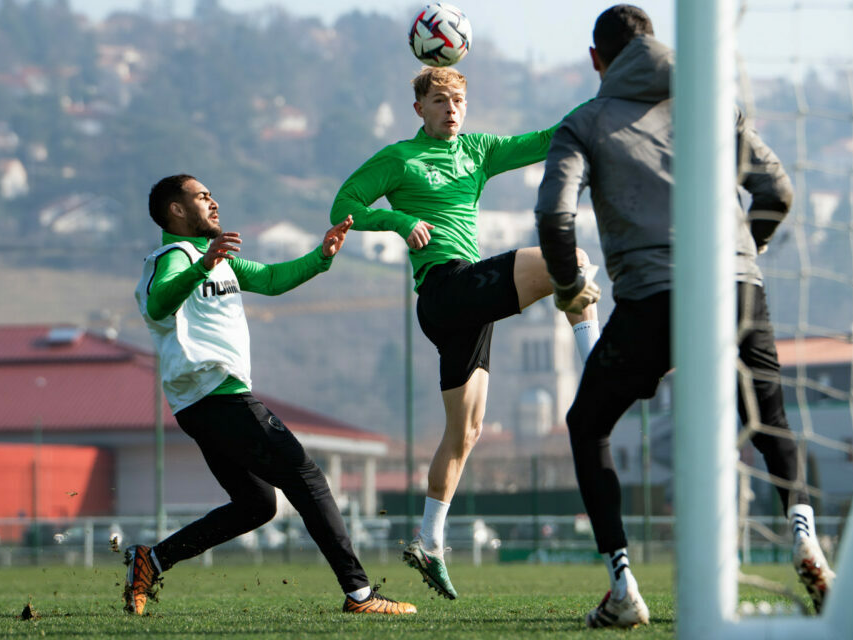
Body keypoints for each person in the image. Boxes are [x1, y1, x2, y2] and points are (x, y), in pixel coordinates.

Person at [534, 5, 835, 628]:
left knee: (588, 424)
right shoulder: (711, 103)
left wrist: (569, 287)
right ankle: (806, 538)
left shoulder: (584, 123)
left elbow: (554, 218)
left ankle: (622, 586)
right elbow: (777, 192)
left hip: (654, 299)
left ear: (597, 59)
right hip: (738, 288)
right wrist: (741, 253)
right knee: (771, 419)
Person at [330, 66, 601, 600]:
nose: (450, 109)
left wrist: (602, 101)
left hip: (469, 306)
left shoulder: (477, 150)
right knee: (571, 257)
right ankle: (597, 361)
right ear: (419, 109)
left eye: (458, 100)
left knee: (467, 433)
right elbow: (344, 208)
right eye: (438, 100)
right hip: (445, 288)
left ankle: (428, 540)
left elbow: (547, 140)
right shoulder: (398, 159)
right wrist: (399, 223)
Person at [124, 174, 417, 616]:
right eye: (202, 196)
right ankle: (360, 594)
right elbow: (160, 302)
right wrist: (202, 266)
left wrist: (321, 257)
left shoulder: (216, 259)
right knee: (307, 477)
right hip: (216, 395)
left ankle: (153, 560)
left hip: (204, 403)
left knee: (257, 505)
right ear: (176, 210)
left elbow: (273, 279)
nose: (214, 201)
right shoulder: (174, 256)